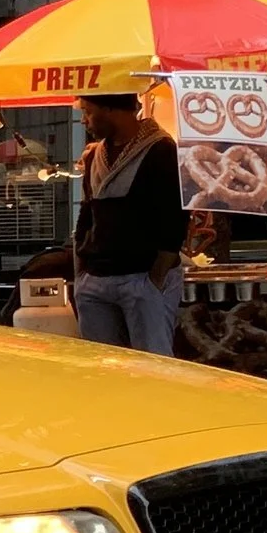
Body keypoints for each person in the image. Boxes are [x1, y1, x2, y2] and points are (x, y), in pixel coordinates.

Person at [71, 92, 186, 356]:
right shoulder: (94, 156)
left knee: (153, 370)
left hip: (141, 277)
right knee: (102, 372)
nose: (83, 120)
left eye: (88, 111)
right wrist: (80, 273)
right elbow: (87, 214)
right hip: (95, 278)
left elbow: (175, 219)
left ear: (110, 108)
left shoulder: (161, 149)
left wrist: (155, 280)